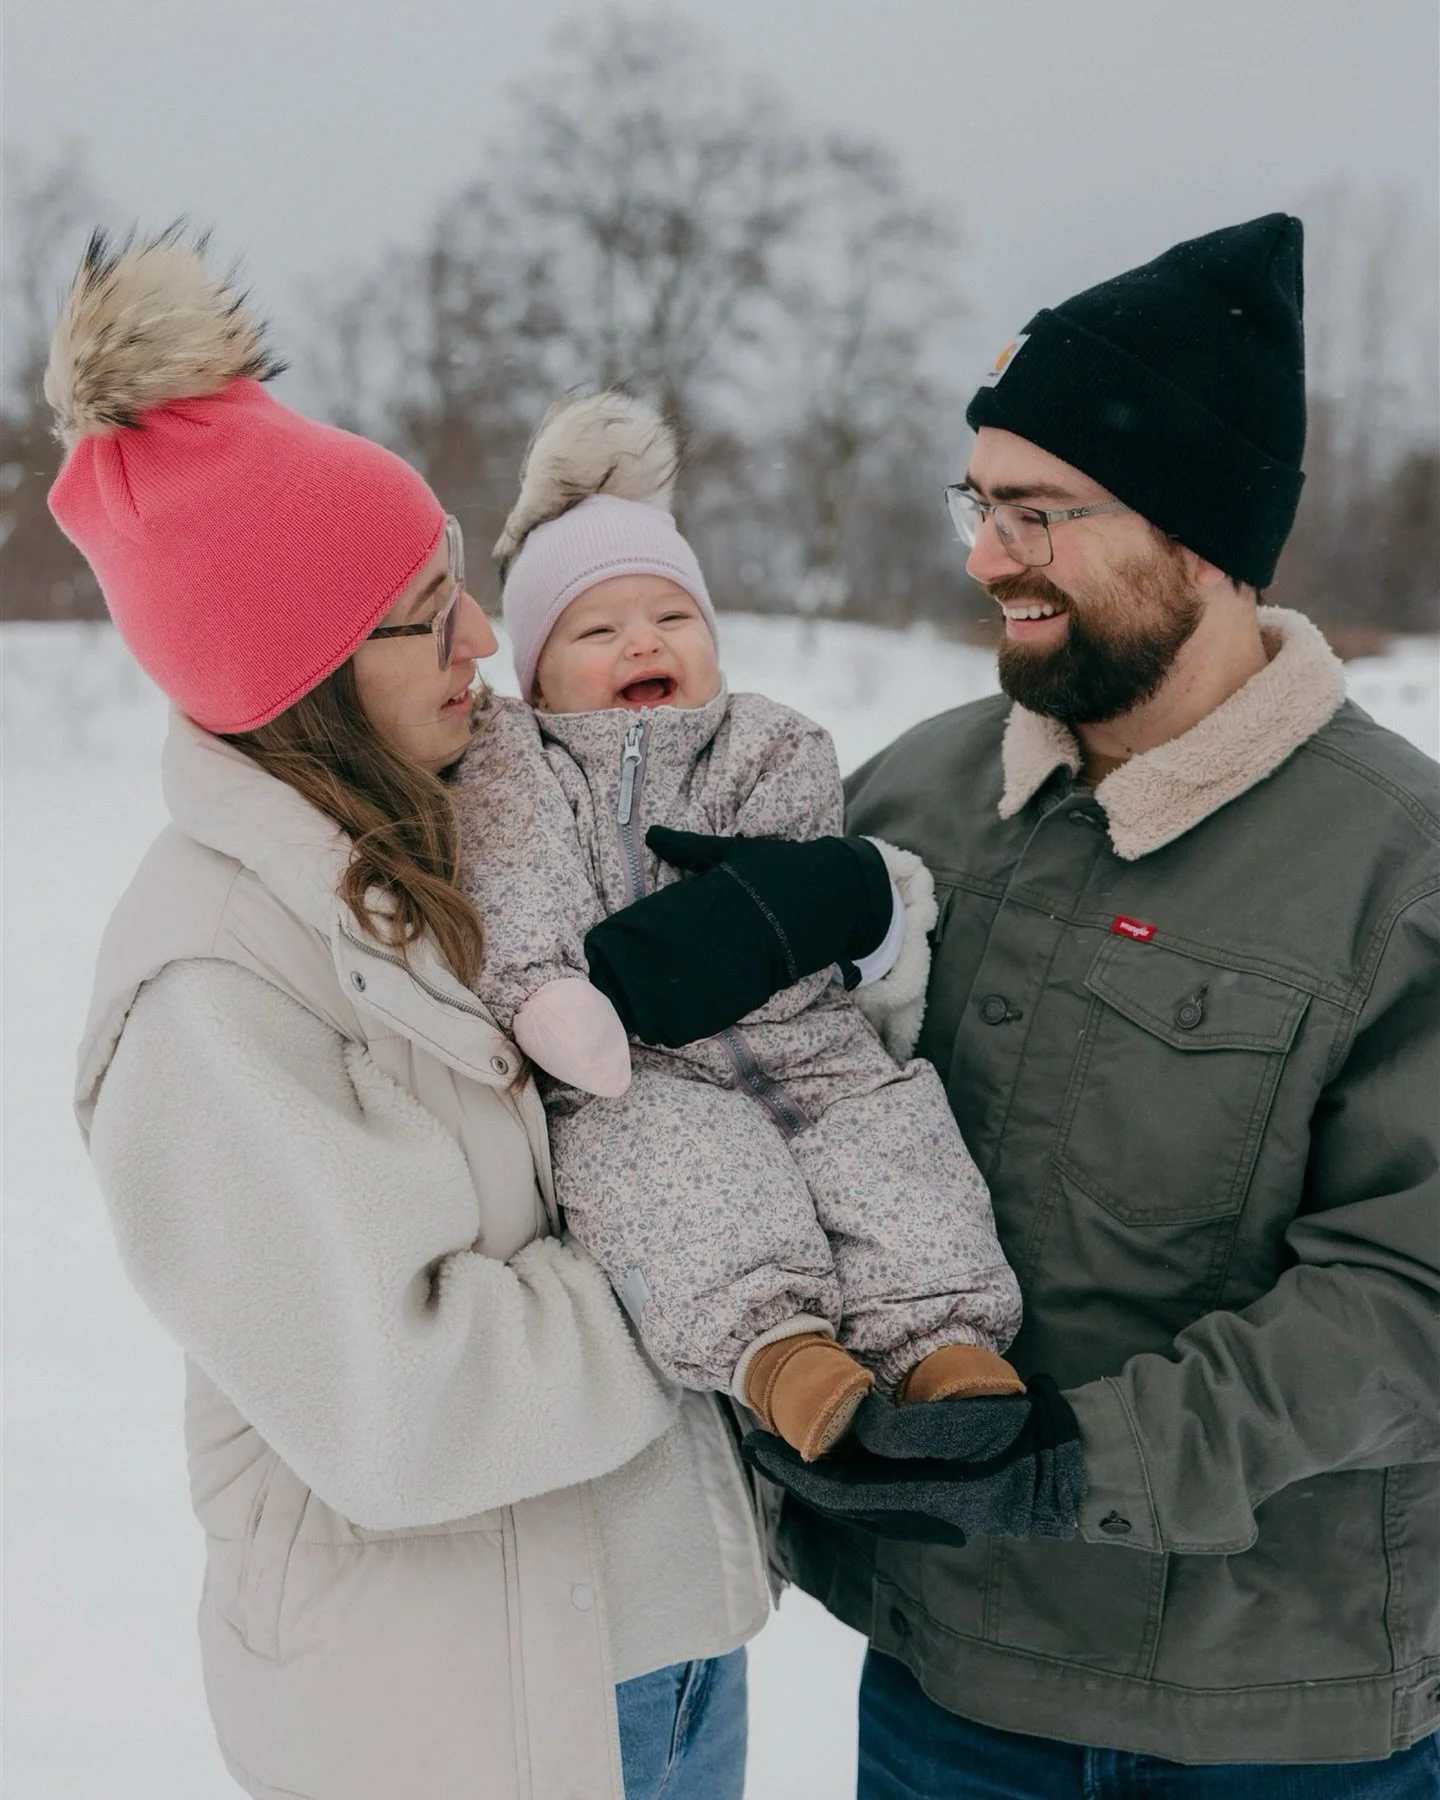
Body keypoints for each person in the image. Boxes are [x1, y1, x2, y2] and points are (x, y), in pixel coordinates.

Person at [46, 229, 900, 1800]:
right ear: (306, 670)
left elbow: (761, 1030)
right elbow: (407, 1403)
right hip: (463, 1715)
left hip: (665, 1633)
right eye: (426, 613)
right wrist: (717, 1244)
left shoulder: (472, 824)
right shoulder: (207, 990)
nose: (486, 643)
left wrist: (847, 920)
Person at [718, 214, 1440, 1794]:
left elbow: (1408, 1302)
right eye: (978, 502)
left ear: (1199, 531)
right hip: (946, 1688)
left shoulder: (1403, 871)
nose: (985, 554)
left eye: (1037, 511)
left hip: (1277, 1722)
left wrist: (1075, 1465)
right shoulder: (911, 796)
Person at [453, 393, 1025, 1464]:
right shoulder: (515, 772)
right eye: (597, 626)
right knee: (670, 1175)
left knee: (890, 1141)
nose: (642, 640)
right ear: (535, 671)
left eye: (673, 617)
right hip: (640, 1071)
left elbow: (797, 891)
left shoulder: (769, 744)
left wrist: (787, 910)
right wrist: (545, 990)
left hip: (807, 1038)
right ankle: (780, 1353)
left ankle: (945, 1342)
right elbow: (514, 889)